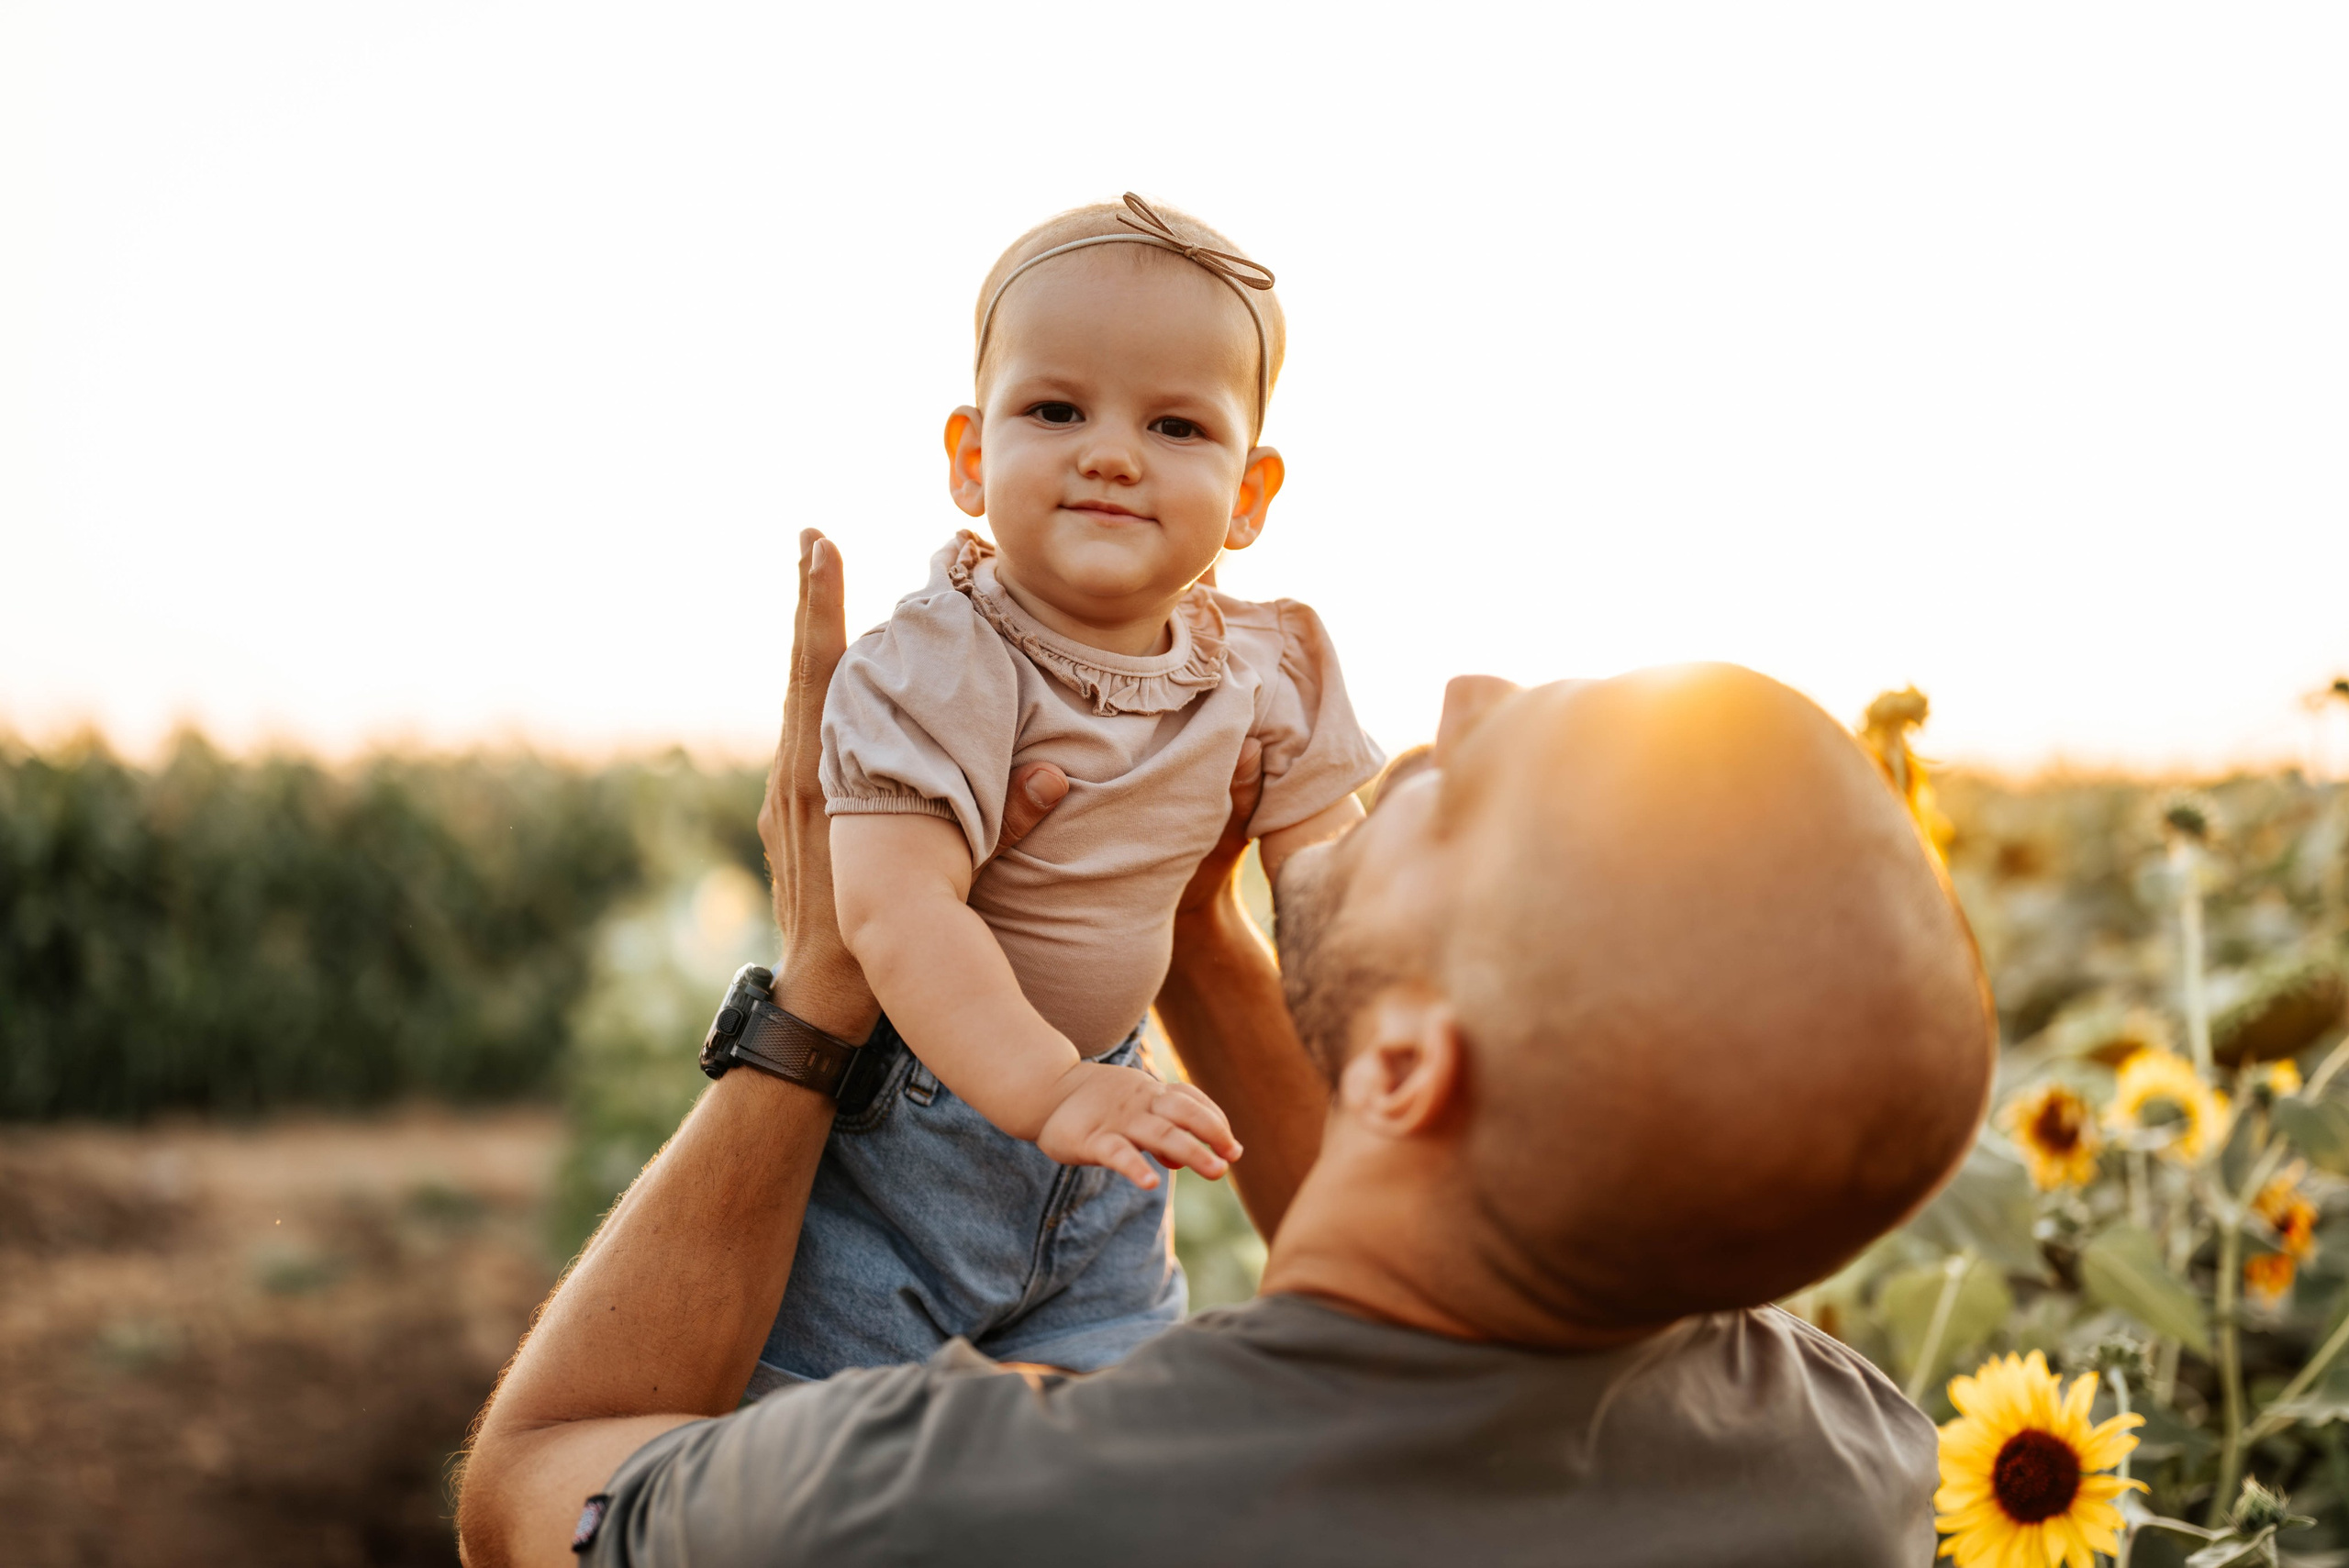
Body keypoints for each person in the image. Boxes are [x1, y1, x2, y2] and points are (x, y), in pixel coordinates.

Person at [456, 533, 1996, 1568]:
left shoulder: (968, 1499)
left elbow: (537, 1478)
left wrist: (831, 984)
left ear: (1403, 1071)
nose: (1461, 697)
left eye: (1461, 797)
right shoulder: (1845, 1460)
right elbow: (1447, 1207)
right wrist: (1185, 924)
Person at [767, 193, 1382, 1385]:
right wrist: (1038, 1086)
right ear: (971, 455)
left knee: (1111, 1434)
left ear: (1250, 496)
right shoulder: (943, 661)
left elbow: (1336, 886)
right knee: (835, 1429)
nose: (1112, 450)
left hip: (1107, 1146)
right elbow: (898, 911)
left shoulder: (1270, 668)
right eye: (1057, 409)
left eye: (1175, 425)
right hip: (913, 1144)